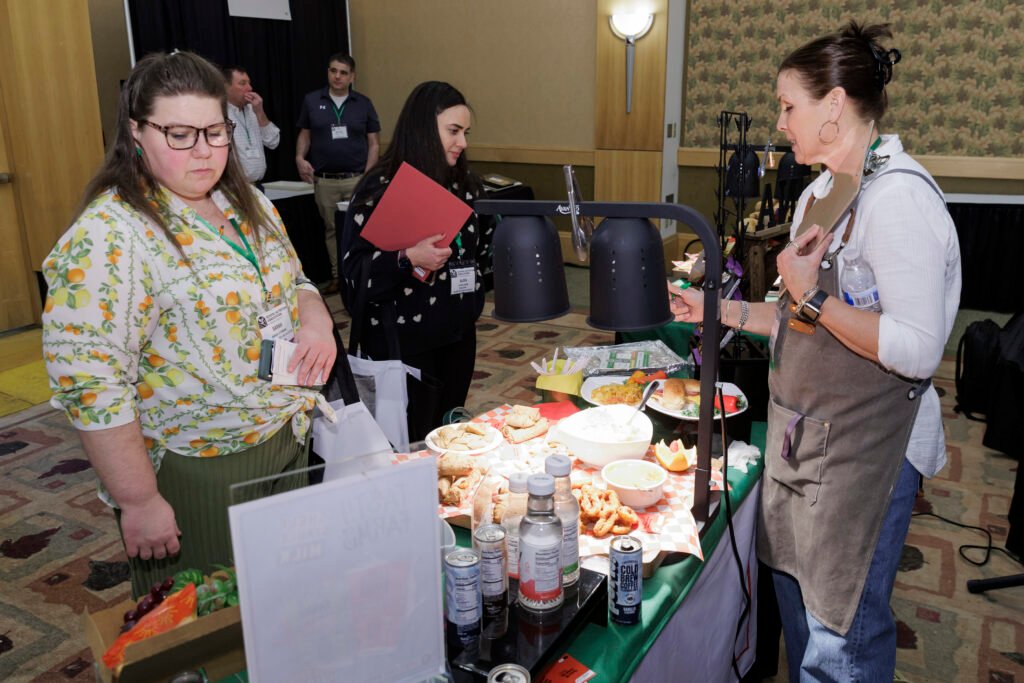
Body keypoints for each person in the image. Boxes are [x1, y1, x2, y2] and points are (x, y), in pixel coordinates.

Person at [670, 22, 960, 681]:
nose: (779, 123)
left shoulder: (898, 200)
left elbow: (917, 350)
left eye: (787, 105)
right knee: (799, 609)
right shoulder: (819, 195)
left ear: (833, 105)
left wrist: (814, 298)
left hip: (870, 454)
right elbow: (793, 320)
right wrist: (717, 310)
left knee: (841, 636)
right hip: (809, 438)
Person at [41, 51, 337, 598]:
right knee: (208, 615)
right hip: (201, 462)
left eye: (216, 131)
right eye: (179, 134)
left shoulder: (247, 202)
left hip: (286, 435)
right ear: (136, 133)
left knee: (284, 596)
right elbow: (91, 384)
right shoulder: (112, 233)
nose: (203, 151)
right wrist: (138, 499)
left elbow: (296, 281)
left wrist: (316, 324)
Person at [340, 81, 493, 429]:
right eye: (453, 131)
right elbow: (354, 273)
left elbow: (480, 253)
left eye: (466, 132)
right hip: (403, 345)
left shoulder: (467, 186)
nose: (463, 142)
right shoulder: (379, 188)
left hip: (457, 337)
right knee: (410, 439)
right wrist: (408, 257)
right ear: (424, 128)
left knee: (449, 431)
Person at [295, 53, 381, 294]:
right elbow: (305, 134)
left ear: (352, 77)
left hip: (356, 179)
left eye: (343, 72)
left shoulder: (363, 103)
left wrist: (368, 176)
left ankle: (363, 274)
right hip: (325, 181)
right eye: (333, 71)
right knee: (332, 230)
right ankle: (338, 276)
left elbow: (374, 143)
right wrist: (299, 158)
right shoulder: (312, 101)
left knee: (362, 227)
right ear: (328, 73)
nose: (337, 76)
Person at [223, 65, 280, 187]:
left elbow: (273, 142)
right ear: (226, 87)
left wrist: (259, 112)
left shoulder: (254, 110)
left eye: (249, 83)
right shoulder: (220, 113)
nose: (250, 88)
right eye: (242, 83)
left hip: (257, 185)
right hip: (233, 186)